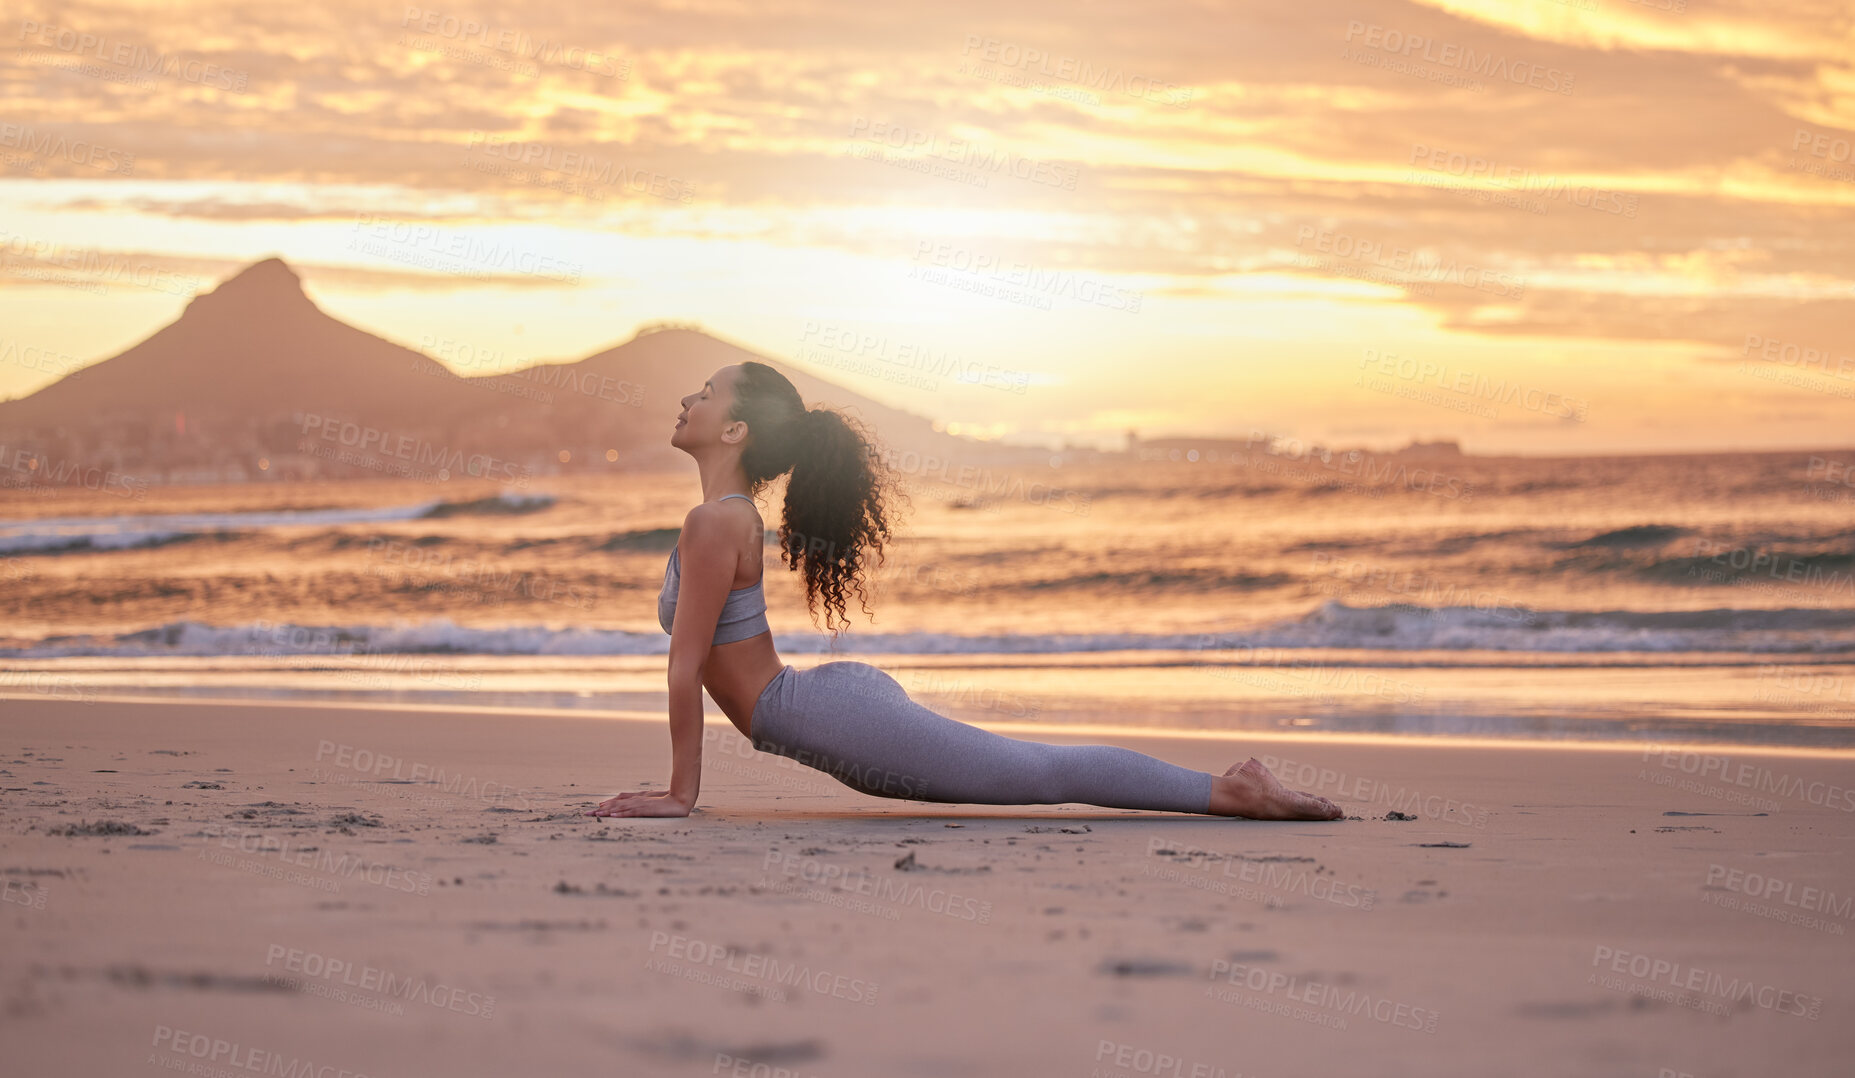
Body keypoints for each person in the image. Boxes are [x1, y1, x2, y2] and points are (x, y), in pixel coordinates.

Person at [585, 361, 1343, 821]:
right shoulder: (725, 518)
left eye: (707, 391)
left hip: (825, 717)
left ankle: (1235, 791)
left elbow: (686, 669)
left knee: (1040, 775)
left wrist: (678, 795)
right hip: (819, 712)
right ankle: (1229, 787)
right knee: (1033, 770)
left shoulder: (714, 522)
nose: (689, 397)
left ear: (734, 431)